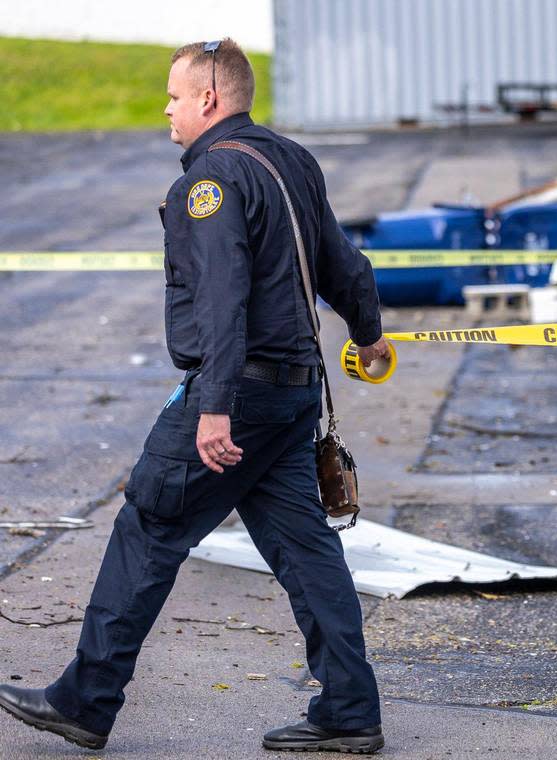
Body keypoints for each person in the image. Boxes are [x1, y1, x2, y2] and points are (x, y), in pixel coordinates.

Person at [0, 38, 390, 754]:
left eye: (176, 96)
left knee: (149, 525)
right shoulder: (291, 161)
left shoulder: (208, 181)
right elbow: (341, 261)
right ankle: (349, 710)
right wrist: (368, 335)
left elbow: (221, 300)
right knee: (306, 550)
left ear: (209, 98)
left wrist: (212, 406)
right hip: (293, 393)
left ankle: (85, 701)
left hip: (236, 396)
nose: (168, 109)